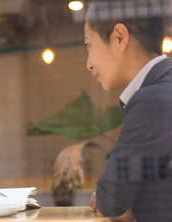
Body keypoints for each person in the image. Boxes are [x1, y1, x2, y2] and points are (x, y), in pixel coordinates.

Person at [84, 1, 172, 222]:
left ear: (120, 38)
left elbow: (110, 201)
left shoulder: (151, 100)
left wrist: (123, 203)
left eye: (88, 44)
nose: (89, 64)